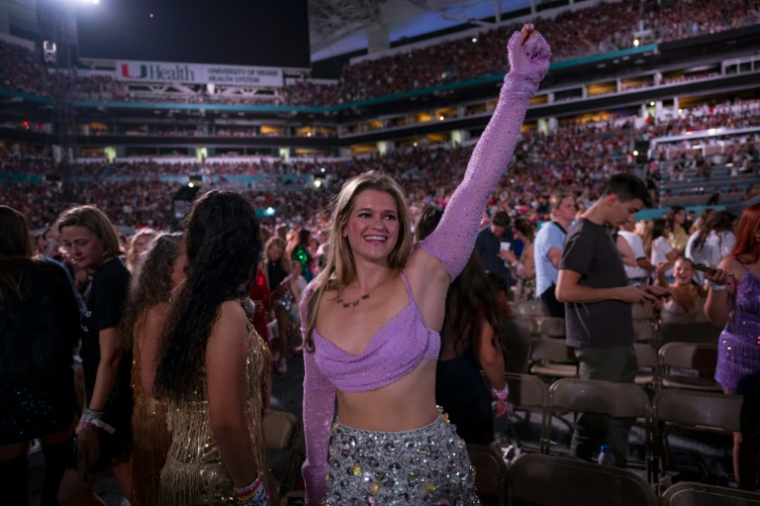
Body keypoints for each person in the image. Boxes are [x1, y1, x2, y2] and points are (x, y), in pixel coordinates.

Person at [300, 25, 550, 505]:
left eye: (390, 215)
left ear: (403, 225)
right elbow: (315, 395)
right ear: (344, 224)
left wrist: (518, 88)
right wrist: (315, 477)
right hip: (350, 477)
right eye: (365, 214)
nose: (379, 224)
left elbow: (474, 187)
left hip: (427, 473)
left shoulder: (426, 274)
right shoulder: (314, 296)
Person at [154, 190, 277, 505]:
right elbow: (225, 421)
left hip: (186, 469)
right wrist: (252, 492)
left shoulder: (190, 300)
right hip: (220, 480)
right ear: (245, 244)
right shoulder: (225, 311)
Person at [555, 174, 666, 467]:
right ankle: (578, 479)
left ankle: (615, 474)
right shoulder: (584, 232)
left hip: (614, 338)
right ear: (612, 199)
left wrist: (638, 290)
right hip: (598, 341)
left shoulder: (600, 230)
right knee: (595, 417)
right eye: (630, 211)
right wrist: (620, 292)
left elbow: (600, 283)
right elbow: (564, 290)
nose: (631, 219)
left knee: (618, 414)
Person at [0, 206, 81, 506]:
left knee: (9, 484)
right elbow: (73, 327)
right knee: (58, 475)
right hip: (50, 389)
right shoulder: (50, 272)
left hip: (4, 398)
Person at [57, 206, 134, 505]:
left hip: (112, 411)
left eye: (82, 242)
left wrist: (91, 418)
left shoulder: (110, 280)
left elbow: (111, 357)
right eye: (68, 244)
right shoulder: (102, 277)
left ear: (102, 237)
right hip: (104, 408)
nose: (73, 251)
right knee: (70, 496)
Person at [416, 206, 508, 445]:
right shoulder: (473, 279)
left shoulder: (405, 279)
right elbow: (488, 352)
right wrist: (501, 390)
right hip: (462, 385)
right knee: (474, 471)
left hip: (417, 388)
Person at [119, 232, 186, 506]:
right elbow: (152, 383)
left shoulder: (168, 306)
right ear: (167, 268)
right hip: (159, 419)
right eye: (188, 265)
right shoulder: (159, 311)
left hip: (164, 416)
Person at [704, 202, 760, 491]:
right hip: (740, 355)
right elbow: (715, 318)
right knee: (745, 433)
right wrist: (715, 288)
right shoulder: (732, 265)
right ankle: (747, 493)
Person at [534, 192, 576, 317]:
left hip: (563, 288)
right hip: (552, 289)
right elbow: (559, 261)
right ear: (556, 210)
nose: (573, 208)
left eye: (574, 205)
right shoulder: (549, 230)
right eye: (568, 206)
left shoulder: (567, 232)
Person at [265, 236, 293, 374]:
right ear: (268, 249)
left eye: (278, 252)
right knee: (269, 330)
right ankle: (272, 356)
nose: (275, 255)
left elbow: (288, 281)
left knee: (281, 329)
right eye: (273, 252)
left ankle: (282, 357)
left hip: (282, 298)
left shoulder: (284, 264)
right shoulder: (264, 264)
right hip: (268, 298)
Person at [685, 210, 736, 284]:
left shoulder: (695, 235)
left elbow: (688, 257)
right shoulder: (726, 235)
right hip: (717, 279)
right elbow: (729, 258)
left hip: (696, 279)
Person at [655, 257, 708, 324]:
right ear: (673, 272)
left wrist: (710, 273)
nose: (682, 272)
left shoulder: (697, 290)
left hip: (690, 333)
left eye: (686, 269)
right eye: (678, 269)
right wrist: (660, 273)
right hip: (668, 332)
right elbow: (661, 283)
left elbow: (711, 287)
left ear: (693, 273)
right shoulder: (667, 289)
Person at [474, 210, 514, 289]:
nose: (498, 233)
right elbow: (474, 259)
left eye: (501, 231)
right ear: (491, 224)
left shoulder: (509, 236)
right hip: (487, 281)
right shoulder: (481, 237)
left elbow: (513, 254)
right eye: (496, 230)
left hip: (505, 279)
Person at [503, 217, 536, 300]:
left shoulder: (531, 247)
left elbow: (528, 273)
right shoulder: (526, 245)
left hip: (528, 294)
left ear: (519, 231)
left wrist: (513, 260)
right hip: (523, 291)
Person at [617, 214, 654, 284]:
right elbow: (641, 262)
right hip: (634, 281)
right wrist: (655, 268)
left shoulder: (615, 237)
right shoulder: (634, 238)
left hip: (621, 280)